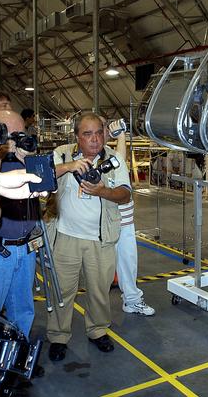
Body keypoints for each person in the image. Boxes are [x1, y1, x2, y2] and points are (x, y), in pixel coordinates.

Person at [46, 112, 131, 362]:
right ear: (76, 137)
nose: (95, 139)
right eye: (87, 134)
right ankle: (58, 336)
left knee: (99, 290)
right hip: (65, 236)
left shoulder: (114, 159)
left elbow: (125, 194)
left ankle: (97, 330)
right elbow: (42, 178)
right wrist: (70, 167)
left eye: (99, 132)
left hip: (101, 239)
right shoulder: (61, 153)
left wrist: (102, 190)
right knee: (62, 291)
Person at [0, 110, 39, 337]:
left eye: (20, 133)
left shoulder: (23, 157)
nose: (16, 139)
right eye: (10, 134)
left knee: (23, 310)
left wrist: (29, 158)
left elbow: (44, 183)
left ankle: (18, 359)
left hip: (26, 247)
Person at [102, 117, 154, 316]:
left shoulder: (111, 156)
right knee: (99, 269)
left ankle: (132, 300)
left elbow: (119, 160)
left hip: (125, 221)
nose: (104, 133)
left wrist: (121, 135)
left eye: (104, 129)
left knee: (128, 262)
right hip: (104, 222)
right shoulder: (89, 157)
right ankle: (97, 310)